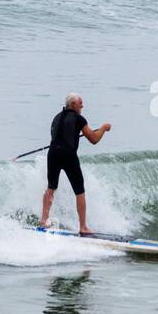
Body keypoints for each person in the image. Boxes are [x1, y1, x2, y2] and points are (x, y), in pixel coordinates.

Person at [40, 93, 112, 235]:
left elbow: (57, 135)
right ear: (73, 105)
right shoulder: (79, 118)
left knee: (51, 187)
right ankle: (83, 227)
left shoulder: (56, 117)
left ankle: (43, 220)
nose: (82, 106)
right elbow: (93, 139)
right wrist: (103, 128)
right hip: (68, 155)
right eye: (80, 103)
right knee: (79, 190)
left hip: (53, 153)